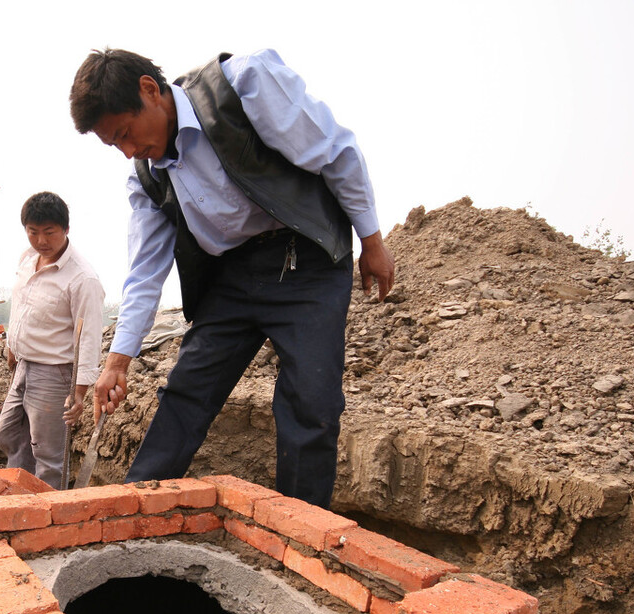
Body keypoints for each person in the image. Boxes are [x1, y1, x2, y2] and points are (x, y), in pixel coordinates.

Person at [69, 49, 395, 509]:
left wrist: (372, 241)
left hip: (306, 262)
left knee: (311, 403)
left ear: (149, 90)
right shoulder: (146, 178)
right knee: (187, 392)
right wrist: (117, 363)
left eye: (125, 133)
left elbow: (334, 150)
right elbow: (145, 273)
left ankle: (300, 531)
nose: (127, 151)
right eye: (114, 145)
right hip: (233, 276)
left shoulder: (242, 86)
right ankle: (131, 511)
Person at [0, 191, 105, 489]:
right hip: (24, 365)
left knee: (49, 453)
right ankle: (22, 494)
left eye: (49, 232)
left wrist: (79, 392)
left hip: (55, 374)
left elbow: (90, 338)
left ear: (66, 229)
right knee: (8, 433)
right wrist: (11, 344)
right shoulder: (28, 259)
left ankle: (49, 507)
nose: (41, 240)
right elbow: (21, 303)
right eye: (33, 232)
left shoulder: (82, 278)